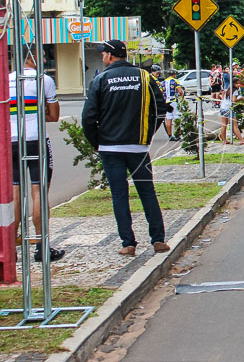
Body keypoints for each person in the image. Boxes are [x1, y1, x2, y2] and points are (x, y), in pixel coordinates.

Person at [82, 40, 169, 257]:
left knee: (119, 195)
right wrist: (147, 134)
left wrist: (97, 142)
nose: (102, 57)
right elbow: (160, 109)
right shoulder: (145, 77)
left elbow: (88, 118)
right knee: (147, 192)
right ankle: (158, 239)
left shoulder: (100, 80)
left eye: (103, 54)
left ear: (110, 56)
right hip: (138, 147)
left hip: (110, 147)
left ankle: (128, 243)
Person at [9, 45, 64, 262]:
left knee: (14, 195)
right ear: (32, 57)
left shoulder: (6, 80)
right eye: (41, 55)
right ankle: (42, 247)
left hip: (12, 141)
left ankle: (11, 249)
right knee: (38, 193)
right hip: (36, 140)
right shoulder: (44, 80)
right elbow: (54, 116)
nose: (44, 59)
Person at [219, 76, 244, 144]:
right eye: (237, 83)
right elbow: (234, 100)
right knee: (234, 125)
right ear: (233, 84)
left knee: (224, 124)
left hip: (223, 107)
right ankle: (241, 140)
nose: (238, 85)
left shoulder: (228, 89)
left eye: (239, 83)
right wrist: (240, 98)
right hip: (229, 108)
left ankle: (224, 140)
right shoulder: (235, 91)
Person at [162, 68, 184, 140]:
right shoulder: (175, 81)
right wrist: (182, 98)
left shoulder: (164, 82)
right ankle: (178, 135)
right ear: (174, 74)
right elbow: (180, 91)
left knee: (169, 118)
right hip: (174, 101)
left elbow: (161, 92)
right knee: (177, 118)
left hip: (166, 102)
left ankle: (169, 135)